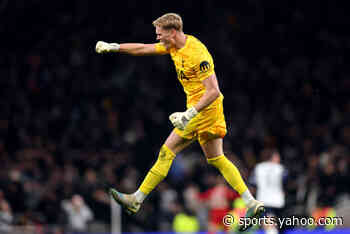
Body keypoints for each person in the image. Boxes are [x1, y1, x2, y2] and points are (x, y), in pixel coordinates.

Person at [95, 13, 264, 231]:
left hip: (205, 110)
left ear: (172, 32)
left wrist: (189, 115)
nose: (157, 38)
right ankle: (251, 202)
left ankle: (137, 198)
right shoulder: (174, 47)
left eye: (160, 34)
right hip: (202, 110)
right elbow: (143, 48)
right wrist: (115, 47)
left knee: (167, 151)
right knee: (216, 159)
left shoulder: (197, 54)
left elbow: (213, 91)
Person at [250, 150, 287, 234]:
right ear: (273, 157)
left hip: (263, 199)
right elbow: (286, 181)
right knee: (275, 224)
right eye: (278, 156)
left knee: (268, 223)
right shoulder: (280, 168)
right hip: (278, 200)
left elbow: (253, 183)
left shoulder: (258, 168)